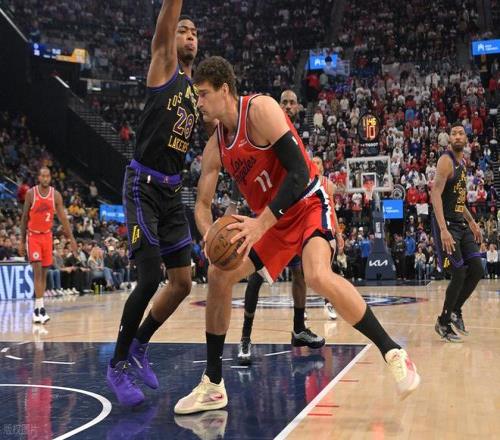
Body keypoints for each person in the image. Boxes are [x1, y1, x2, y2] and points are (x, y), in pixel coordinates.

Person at [174, 56, 420, 415]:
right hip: (271, 220)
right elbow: (201, 204)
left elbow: (300, 173)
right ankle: (213, 384)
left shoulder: (260, 110)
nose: (198, 102)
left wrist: (260, 224)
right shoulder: (216, 146)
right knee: (218, 273)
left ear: (224, 90)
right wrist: (210, 233)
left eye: (203, 94)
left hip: (306, 202)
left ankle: (393, 351)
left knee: (317, 274)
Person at [106, 0, 200, 406]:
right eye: (183, 30)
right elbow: (167, 20)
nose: (189, 36)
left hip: (173, 191)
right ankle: (116, 365)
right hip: (143, 185)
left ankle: (140, 345)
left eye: (194, 33)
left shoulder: (195, 91)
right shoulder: (164, 65)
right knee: (148, 279)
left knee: (182, 283)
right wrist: (173, 10)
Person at [230, 91, 328, 366]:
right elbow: (243, 170)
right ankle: (245, 337)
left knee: (300, 273)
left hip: (296, 210)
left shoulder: (298, 134)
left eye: (291, 102)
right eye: (283, 102)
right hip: (269, 214)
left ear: (298, 107)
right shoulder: (266, 125)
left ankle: (299, 328)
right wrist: (234, 204)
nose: (287, 106)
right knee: (257, 276)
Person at [430, 122, 483, 342]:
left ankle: (454, 310)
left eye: (461, 133)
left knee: (477, 269)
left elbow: (459, 199)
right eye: (454, 133)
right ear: (449, 139)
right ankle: (443, 322)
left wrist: (472, 222)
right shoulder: (446, 160)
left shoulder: (463, 163)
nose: (458, 136)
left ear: (466, 139)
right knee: (459, 272)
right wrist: (443, 229)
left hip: (461, 223)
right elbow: (434, 193)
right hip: (447, 226)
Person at [18, 167, 77, 323]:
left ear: (50, 178)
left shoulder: (55, 195)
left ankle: (40, 308)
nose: (45, 178)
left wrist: (72, 239)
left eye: (47, 176)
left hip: (47, 236)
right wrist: (21, 241)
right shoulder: (31, 193)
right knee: (37, 270)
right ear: (39, 177)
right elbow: (24, 218)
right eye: (42, 176)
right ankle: (38, 310)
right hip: (33, 236)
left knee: (44, 273)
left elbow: (63, 219)